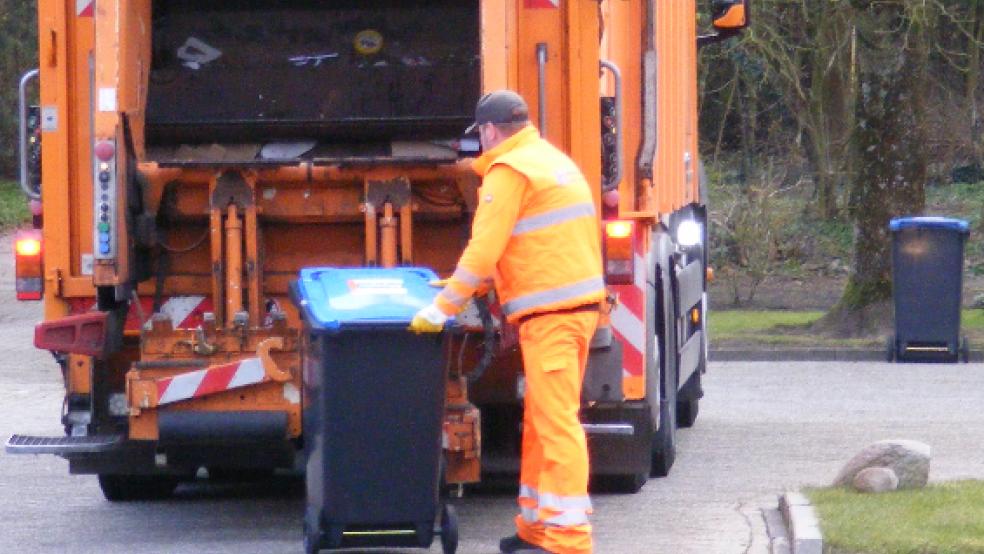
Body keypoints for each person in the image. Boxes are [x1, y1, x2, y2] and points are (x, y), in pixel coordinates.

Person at [410, 90, 604, 554]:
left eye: (480, 133)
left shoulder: (508, 171)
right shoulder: (547, 159)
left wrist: (444, 308)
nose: (480, 142)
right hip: (570, 313)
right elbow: (529, 243)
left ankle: (569, 541)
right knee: (541, 422)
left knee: (556, 425)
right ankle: (535, 529)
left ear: (491, 131)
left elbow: (485, 247)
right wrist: (469, 287)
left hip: (553, 318)